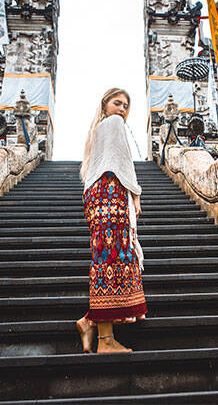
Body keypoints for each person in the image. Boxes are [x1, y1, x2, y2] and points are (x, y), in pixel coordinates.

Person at [76, 87, 147, 354]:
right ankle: (105, 341)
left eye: (126, 106)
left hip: (96, 196)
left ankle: (89, 322)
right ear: (105, 104)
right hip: (111, 191)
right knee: (112, 258)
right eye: (117, 103)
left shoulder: (97, 130)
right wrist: (136, 195)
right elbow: (123, 162)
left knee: (105, 256)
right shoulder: (115, 124)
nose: (122, 109)